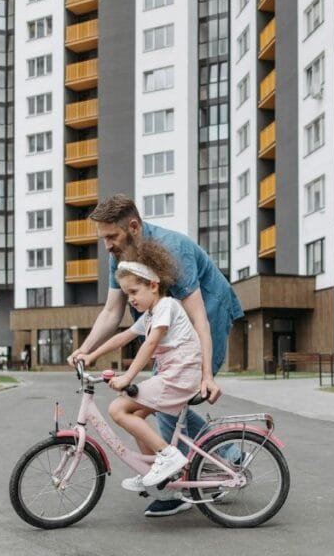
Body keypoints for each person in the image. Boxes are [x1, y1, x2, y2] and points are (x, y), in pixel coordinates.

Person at [68, 194, 244, 517]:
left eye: (111, 236)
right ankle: (212, 458)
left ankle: (193, 473)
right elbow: (111, 312)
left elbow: (200, 319)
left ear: (133, 227)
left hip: (208, 312)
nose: (107, 245)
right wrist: (86, 349)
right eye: (103, 238)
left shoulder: (173, 250)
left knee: (169, 401)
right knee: (163, 403)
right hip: (164, 327)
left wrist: (206, 375)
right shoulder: (119, 256)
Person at [80, 242, 201, 491]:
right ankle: (152, 468)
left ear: (153, 286)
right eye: (127, 294)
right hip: (173, 375)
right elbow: (122, 337)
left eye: (134, 292)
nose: (131, 299)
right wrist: (89, 354)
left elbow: (150, 344)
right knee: (135, 415)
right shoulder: (150, 314)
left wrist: (127, 378)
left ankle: (169, 456)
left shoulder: (167, 306)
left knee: (118, 408)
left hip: (179, 377)